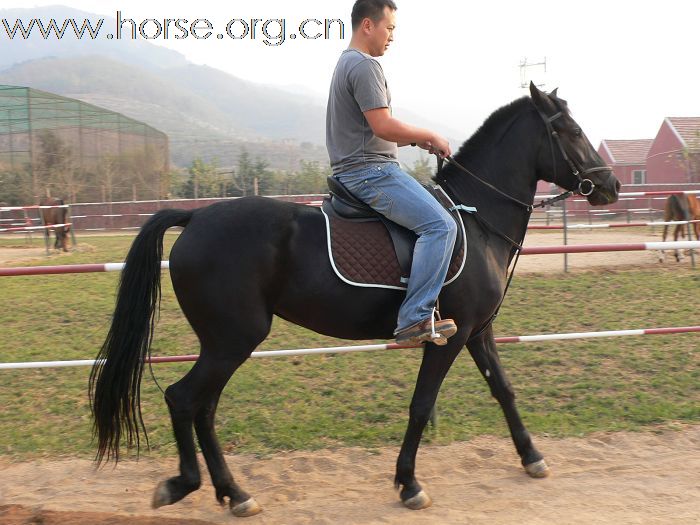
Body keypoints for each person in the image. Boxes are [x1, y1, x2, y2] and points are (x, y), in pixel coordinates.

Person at [326, 0, 458, 346]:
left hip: (358, 167)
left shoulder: (345, 63)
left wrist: (414, 143)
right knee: (441, 225)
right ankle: (414, 318)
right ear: (367, 25)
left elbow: (375, 129)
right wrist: (429, 135)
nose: (392, 37)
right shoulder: (365, 66)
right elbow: (382, 125)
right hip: (371, 172)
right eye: (390, 28)